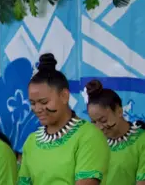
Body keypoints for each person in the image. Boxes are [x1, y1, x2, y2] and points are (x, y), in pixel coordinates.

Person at [18, 53, 109, 185]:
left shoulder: (89, 136)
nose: (37, 109)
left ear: (64, 96)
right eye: (32, 103)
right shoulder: (31, 142)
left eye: (44, 102)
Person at [85, 79, 145, 184]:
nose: (99, 127)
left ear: (119, 111)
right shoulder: (92, 144)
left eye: (103, 120)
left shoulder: (141, 141)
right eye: (94, 122)